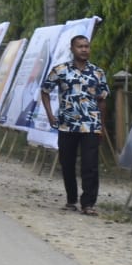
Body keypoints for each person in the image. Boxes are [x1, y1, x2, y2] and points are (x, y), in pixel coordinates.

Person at [40, 34, 110, 216]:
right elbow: (45, 91)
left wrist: (101, 125)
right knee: (67, 163)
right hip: (67, 125)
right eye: (80, 46)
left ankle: (88, 204)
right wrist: (50, 116)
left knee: (90, 165)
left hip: (90, 125)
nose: (84, 49)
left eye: (87, 46)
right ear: (72, 49)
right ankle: (71, 199)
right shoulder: (60, 70)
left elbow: (102, 99)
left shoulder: (97, 73)